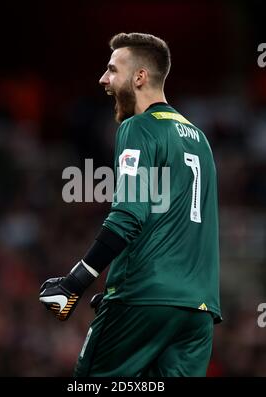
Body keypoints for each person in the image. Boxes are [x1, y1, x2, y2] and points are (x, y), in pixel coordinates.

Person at [39, 32, 221, 377]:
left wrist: (74, 284)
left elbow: (128, 215)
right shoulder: (200, 139)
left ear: (140, 77)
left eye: (111, 70)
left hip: (144, 295)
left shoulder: (139, 127)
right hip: (199, 310)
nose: (103, 80)